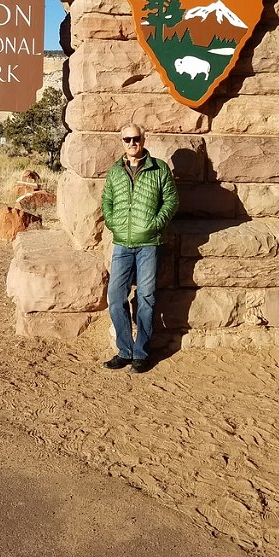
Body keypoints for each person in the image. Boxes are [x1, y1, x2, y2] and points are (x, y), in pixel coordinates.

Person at [101, 123, 178, 373]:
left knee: (146, 297)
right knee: (115, 297)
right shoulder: (115, 171)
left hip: (149, 243)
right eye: (127, 139)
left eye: (136, 138)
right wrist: (114, 224)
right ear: (121, 141)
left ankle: (141, 353)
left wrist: (156, 224)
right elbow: (107, 201)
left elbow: (171, 200)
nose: (132, 143)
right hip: (122, 242)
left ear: (144, 140)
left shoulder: (159, 169)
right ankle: (124, 351)